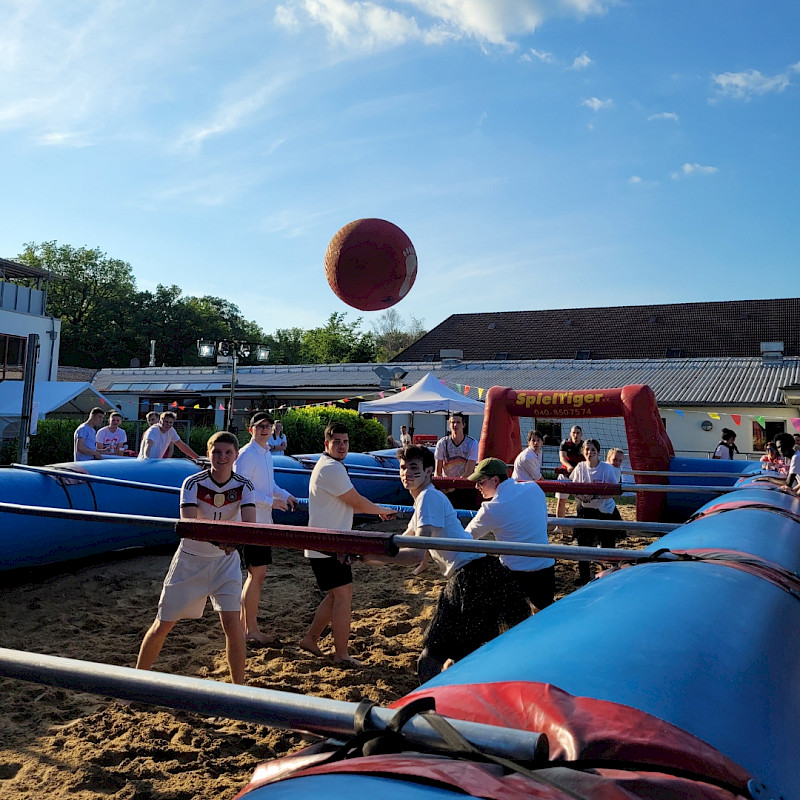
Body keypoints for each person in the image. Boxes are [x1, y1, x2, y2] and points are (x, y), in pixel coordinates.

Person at [366, 446, 530, 683]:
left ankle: (435, 707)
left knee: (433, 657)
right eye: (403, 468)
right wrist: (364, 556)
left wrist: (368, 556)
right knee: (468, 653)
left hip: (471, 579)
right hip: (476, 574)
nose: (406, 473)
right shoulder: (425, 499)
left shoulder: (428, 498)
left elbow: (413, 553)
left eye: (413, 468)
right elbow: (403, 543)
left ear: (429, 471)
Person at [135, 431, 256, 684]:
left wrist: (235, 543)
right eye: (217, 452)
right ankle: (134, 683)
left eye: (228, 452)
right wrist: (225, 542)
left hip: (225, 562)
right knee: (163, 624)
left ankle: (241, 691)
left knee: (233, 627)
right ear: (208, 452)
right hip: (191, 561)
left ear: (235, 456)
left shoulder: (245, 485)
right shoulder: (192, 483)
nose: (222, 457)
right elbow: (190, 524)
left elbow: (251, 526)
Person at [298, 422, 396, 665]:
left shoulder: (331, 466)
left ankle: (310, 639)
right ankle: (341, 654)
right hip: (327, 543)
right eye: (337, 442)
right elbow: (356, 502)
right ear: (327, 444)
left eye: (345, 442)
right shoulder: (330, 468)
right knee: (343, 597)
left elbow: (354, 501)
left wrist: (376, 510)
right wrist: (381, 511)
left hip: (329, 542)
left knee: (336, 596)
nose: (342, 446)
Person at [234, 412, 297, 646]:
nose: (265, 429)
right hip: (251, 521)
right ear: (251, 429)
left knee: (257, 575)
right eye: (260, 426)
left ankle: (247, 627)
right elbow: (242, 490)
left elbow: (269, 486)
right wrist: (272, 501)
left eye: (268, 426)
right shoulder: (247, 454)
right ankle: (250, 630)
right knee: (256, 574)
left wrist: (286, 495)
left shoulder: (265, 453)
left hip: (263, 520)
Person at [466, 457, 555, 612]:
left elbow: (464, 539)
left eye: (480, 482)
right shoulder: (534, 489)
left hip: (515, 574)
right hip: (545, 567)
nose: (477, 486)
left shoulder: (491, 508)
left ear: (495, 480)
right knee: (545, 619)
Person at [570, 439, 621, 585]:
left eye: (593, 450)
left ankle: (612, 575)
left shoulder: (606, 469)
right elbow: (573, 488)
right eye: (586, 449)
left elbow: (613, 491)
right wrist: (581, 497)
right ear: (582, 452)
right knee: (583, 544)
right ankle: (585, 576)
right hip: (586, 509)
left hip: (605, 510)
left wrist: (595, 496)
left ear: (598, 453)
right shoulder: (580, 467)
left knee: (608, 546)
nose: (589, 452)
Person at [434, 413, 479, 478]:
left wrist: (457, 484)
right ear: (449, 425)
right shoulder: (442, 443)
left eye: (458, 422)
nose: (455, 425)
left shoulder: (472, 443)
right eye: (453, 422)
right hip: (446, 483)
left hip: (464, 483)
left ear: (463, 425)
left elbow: (469, 471)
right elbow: (438, 471)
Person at [555, 425, 585, 523]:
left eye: (578, 433)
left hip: (580, 476)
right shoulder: (565, 443)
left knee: (582, 502)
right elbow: (562, 457)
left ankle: (582, 526)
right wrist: (568, 466)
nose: (575, 435)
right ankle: (558, 526)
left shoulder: (585, 445)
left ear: (581, 434)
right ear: (570, 434)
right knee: (561, 501)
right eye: (573, 433)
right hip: (565, 475)